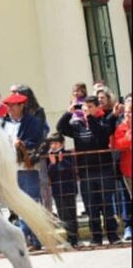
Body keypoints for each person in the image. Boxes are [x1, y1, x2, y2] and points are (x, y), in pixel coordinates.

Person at [57, 94, 120, 246]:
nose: (87, 110)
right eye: (85, 107)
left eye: (91, 107)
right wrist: (68, 113)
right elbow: (61, 128)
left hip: (103, 170)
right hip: (86, 173)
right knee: (91, 207)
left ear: (98, 108)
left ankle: (113, 236)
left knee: (107, 206)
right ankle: (96, 238)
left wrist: (91, 118)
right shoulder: (77, 125)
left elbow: (100, 134)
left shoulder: (105, 121)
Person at [1, 92, 47, 250]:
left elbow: (36, 141)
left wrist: (20, 144)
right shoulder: (3, 123)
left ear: (22, 106)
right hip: (10, 168)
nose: (10, 109)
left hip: (27, 168)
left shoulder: (32, 122)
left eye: (14, 106)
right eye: (9, 106)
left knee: (31, 201)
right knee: (18, 204)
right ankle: (29, 238)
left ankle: (27, 236)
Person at [45, 132, 80, 247]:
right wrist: (53, 164)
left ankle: (73, 238)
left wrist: (60, 162)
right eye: (51, 143)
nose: (53, 146)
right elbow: (49, 172)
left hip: (69, 188)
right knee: (63, 214)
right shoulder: (49, 156)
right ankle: (70, 236)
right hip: (57, 189)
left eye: (55, 143)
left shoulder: (68, 153)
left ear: (62, 143)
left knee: (71, 213)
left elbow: (70, 169)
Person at [109, 93, 132, 241]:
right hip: (128, 170)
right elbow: (119, 144)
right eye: (128, 112)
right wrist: (130, 133)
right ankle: (129, 228)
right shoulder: (121, 127)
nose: (129, 115)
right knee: (128, 201)